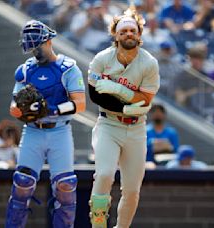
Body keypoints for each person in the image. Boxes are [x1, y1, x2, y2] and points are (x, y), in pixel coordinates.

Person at [5, 20, 86, 228]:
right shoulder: (25, 70)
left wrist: (52, 110)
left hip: (59, 130)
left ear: (48, 41)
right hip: (32, 131)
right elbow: (15, 101)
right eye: (32, 46)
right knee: (22, 183)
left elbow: (80, 104)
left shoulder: (68, 68)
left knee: (65, 186)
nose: (35, 51)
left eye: (38, 45)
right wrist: (17, 108)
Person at [88, 8, 160, 228]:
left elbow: (145, 101)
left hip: (136, 129)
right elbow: (95, 96)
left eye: (132, 30)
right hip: (109, 123)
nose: (128, 34)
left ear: (139, 35)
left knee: (131, 190)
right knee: (104, 174)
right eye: (123, 31)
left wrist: (119, 91)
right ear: (115, 35)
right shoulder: (102, 59)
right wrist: (129, 106)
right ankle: (98, 225)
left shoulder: (149, 62)